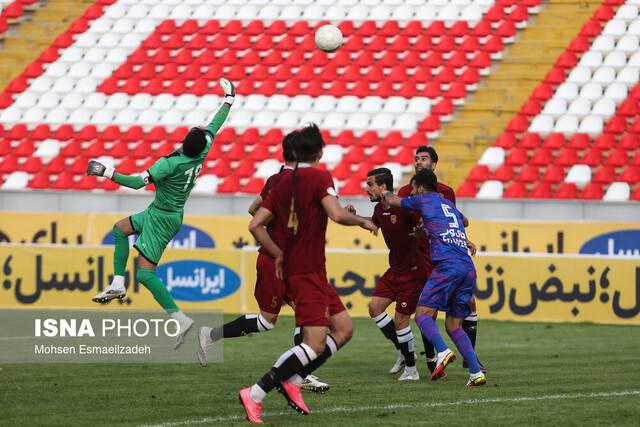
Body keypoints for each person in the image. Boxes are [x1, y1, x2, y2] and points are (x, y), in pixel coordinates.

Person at [240, 123, 378, 423]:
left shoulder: (281, 184)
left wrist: (277, 253)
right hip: (306, 273)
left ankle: (295, 379)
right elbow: (337, 214)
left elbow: (255, 224)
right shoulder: (318, 177)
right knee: (314, 344)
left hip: (307, 270)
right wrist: (364, 220)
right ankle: (256, 393)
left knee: (344, 330)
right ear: (320, 152)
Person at [88, 78, 236, 349]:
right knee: (120, 229)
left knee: (145, 275)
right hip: (164, 211)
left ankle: (180, 319)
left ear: (183, 141)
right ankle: (117, 283)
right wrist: (229, 100)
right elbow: (215, 124)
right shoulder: (203, 149)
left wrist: (105, 172)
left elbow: (135, 183)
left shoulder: (168, 164)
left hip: (162, 218)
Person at [196, 131, 330, 393]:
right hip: (274, 260)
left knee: (306, 312)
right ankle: (210, 335)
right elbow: (257, 217)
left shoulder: (276, 179)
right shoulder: (286, 180)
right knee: (268, 322)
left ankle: (298, 373)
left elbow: (253, 208)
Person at [383, 169, 486, 387]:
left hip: (447, 266)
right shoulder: (447, 204)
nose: (410, 193)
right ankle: (476, 373)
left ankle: (443, 351)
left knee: (421, 314)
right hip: (467, 268)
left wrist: (384, 192)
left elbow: (394, 201)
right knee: (453, 325)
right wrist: (430, 230)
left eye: (412, 189)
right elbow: (464, 221)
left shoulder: (422, 200)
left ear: (420, 188)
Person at [345, 168, 428, 381]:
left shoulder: (403, 205)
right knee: (375, 308)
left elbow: (423, 220)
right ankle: (403, 351)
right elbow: (373, 224)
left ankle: (411, 370)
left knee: (401, 321)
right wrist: (354, 217)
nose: (366, 189)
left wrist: (421, 230)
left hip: (413, 272)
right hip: (395, 271)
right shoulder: (379, 210)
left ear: (383, 188)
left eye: (370, 184)